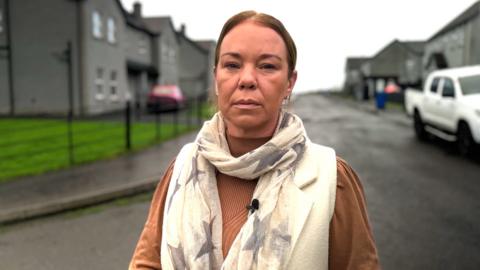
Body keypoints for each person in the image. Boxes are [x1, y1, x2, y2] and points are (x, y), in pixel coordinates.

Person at [129, 10, 379, 270]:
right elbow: (146, 263)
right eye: (232, 65)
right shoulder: (180, 170)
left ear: (289, 83)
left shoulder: (332, 179)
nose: (247, 79)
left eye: (267, 66)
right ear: (217, 78)